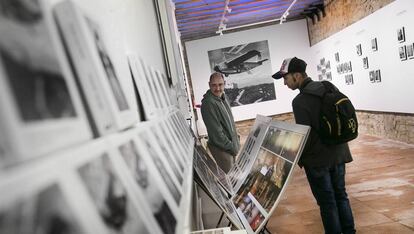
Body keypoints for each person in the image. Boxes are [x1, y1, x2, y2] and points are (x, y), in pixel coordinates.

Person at [272, 57, 356, 234]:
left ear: (297, 75)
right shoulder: (328, 86)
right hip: (339, 153)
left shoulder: (299, 101)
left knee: (327, 202)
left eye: (286, 78)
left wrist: (298, 157)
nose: (285, 83)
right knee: (341, 195)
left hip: (318, 161)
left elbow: (306, 136)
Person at [201, 72, 240, 173]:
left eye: (220, 84)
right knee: (230, 182)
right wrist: (233, 148)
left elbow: (229, 122)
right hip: (222, 150)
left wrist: (236, 140)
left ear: (225, 83)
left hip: (230, 147)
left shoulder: (223, 97)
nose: (217, 88)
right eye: (214, 85)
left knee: (234, 178)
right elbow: (216, 134)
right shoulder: (208, 103)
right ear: (209, 85)